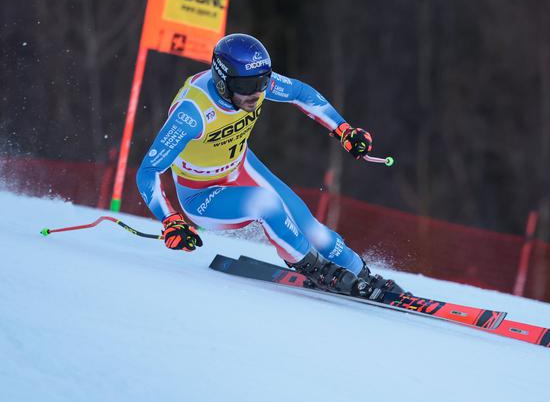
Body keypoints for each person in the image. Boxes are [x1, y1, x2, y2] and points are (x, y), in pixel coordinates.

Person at [136, 33, 402, 299]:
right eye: (246, 85)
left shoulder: (255, 86)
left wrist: (344, 130)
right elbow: (148, 172)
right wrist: (170, 220)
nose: (255, 93)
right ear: (222, 81)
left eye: (263, 82)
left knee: (314, 230)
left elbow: (301, 93)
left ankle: (363, 275)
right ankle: (314, 268)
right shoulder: (191, 114)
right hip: (201, 195)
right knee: (267, 204)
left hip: (240, 168)